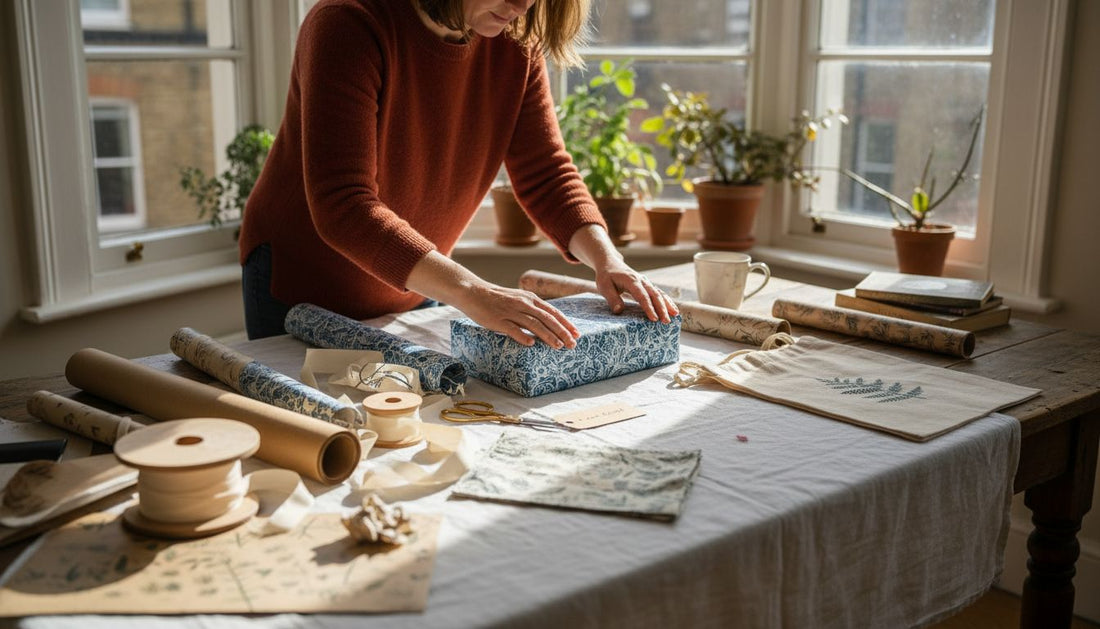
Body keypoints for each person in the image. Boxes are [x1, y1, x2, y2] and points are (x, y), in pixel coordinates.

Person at [239, 0, 678, 348]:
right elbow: (344, 207)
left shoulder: (513, 40)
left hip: (414, 280)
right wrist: (472, 291)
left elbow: (546, 174)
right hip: (301, 285)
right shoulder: (348, 22)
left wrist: (607, 260)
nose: (523, 4)